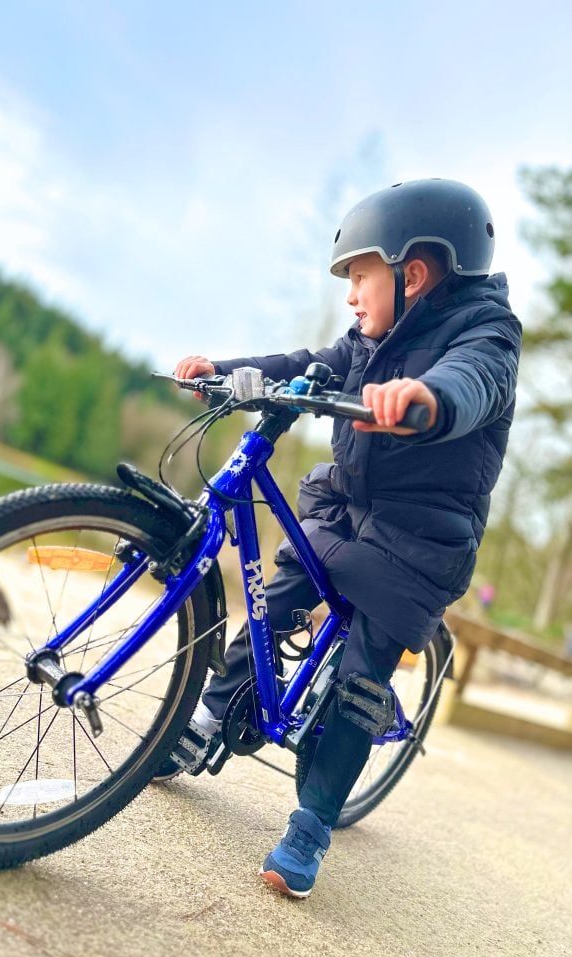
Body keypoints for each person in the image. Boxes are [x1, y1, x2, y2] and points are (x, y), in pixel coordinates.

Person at [154, 178, 522, 899]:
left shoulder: (486, 332)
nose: (351, 296)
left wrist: (427, 398)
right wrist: (226, 372)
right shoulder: (368, 339)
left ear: (412, 274)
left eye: (359, 276)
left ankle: (313, 823)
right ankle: (205, 719)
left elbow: (474, 378)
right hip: (348, 511)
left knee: (360, 678)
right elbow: (306, 364)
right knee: (273, 598)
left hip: (418, 541)